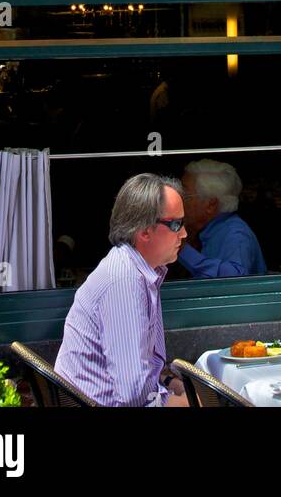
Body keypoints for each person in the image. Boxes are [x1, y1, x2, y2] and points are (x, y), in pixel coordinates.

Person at [55, 173, 189, 407]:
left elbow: (142, 369)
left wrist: (168, 380)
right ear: (144, 231)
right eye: (176, 225)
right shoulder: (124, 280)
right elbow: (135, 395)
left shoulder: (137, 270)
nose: (184, 234)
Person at [178, 159, 267, 279]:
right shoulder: (205, 230)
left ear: (211, 204)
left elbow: (234, 279)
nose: (179, 199)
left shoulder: (235, 234)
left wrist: (182, 249)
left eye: (185, 195)